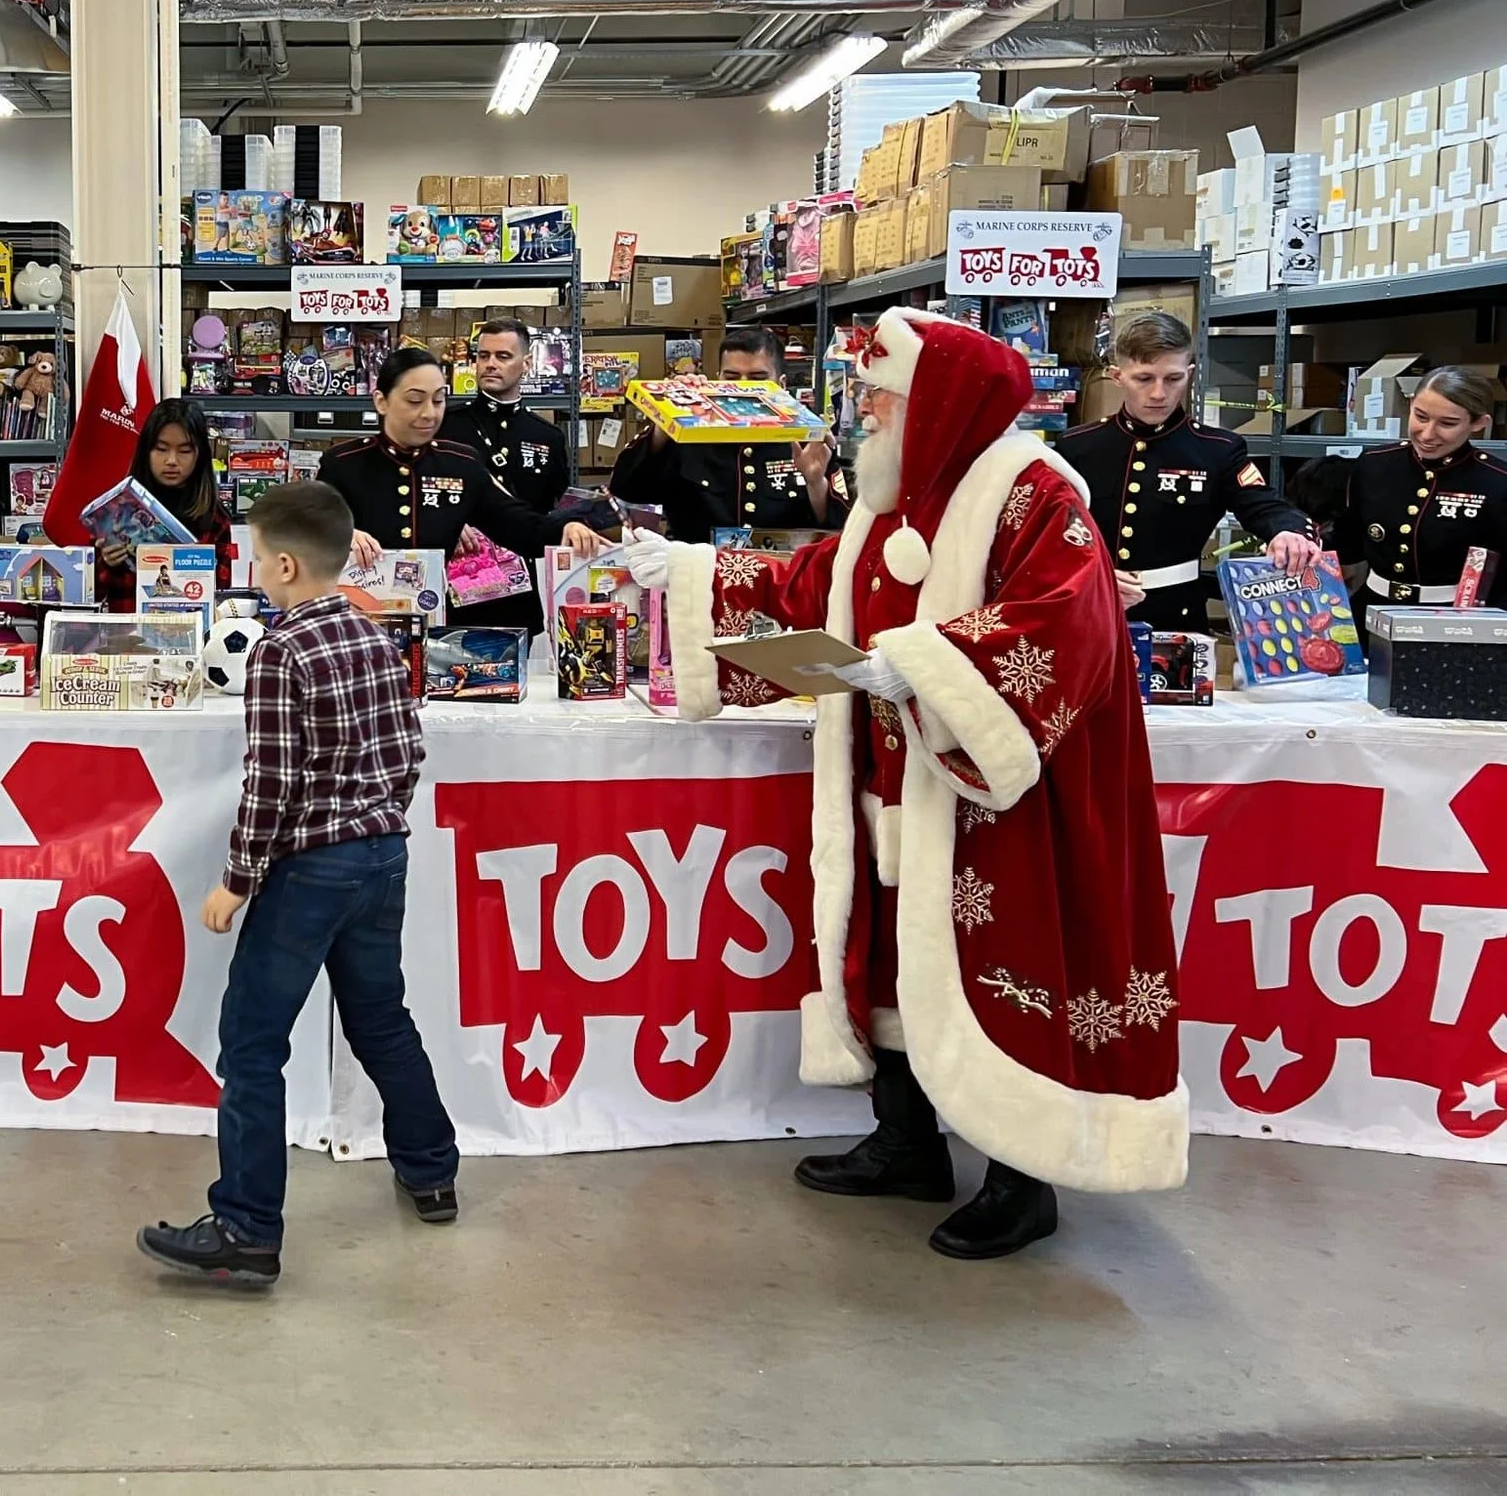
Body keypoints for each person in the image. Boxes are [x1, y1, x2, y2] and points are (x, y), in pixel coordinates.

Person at [627, 308, 1186, 1261]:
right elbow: (821, 589)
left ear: (938, 402)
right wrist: (691, 571)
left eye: (882, 398)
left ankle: (1023, 1177)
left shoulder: (1033, 492)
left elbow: (1069, 624)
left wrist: (929, 668)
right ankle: (907, 1139)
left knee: (1013, 961)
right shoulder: (892, 492)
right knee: (886, 950)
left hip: (999, 793)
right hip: (887, 774)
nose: (865, 416)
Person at [136, 481, 458, 1289]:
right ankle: (431, 1169)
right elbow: (409, 752)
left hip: (310, 869)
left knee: (250, 1042)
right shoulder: (373, 633)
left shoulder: (281, 650)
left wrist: (236, 882)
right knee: (381, 1019)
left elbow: (271, 782)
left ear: (282, 564)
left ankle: (246, 1224)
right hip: (383, 855)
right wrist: (374, 816)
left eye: (252, 555)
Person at [1055, 309, 1318, 633]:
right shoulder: (1078, 446)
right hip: (1089, 615)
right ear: (1116, 375)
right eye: (1144, 378)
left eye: (1173, 378)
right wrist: (1088, 571)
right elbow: (1050, 530)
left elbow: (1262, 503)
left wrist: (1287, 530)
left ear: (1190, 373)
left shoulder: (1216, 449)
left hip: (1177, 619)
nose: (1158, 393)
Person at [322, 347, 614, 580]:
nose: (429, 414)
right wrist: (340, 534)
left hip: (434, 621)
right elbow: (297, 533)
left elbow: (520, 525)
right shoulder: (343, 464)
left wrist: (566, 529)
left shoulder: (460, 463)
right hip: (357, 625)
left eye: (438, 401)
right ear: (381, 401)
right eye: (414, 401)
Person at [607, 327, 843, 538]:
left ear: (781, 385)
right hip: (698, 576)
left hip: (781, 577)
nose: (741, 387)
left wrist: (815, 482)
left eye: (757, 379)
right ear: (717, 378)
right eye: (731, 377)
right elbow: (626, 490)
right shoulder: (687, 436)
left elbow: (838, 525)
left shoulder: (807, 440)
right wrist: (667, 418)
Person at [1315, 365, 1507, 610]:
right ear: (1411, 404)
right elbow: (1348, 542)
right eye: (1421, 416)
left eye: (1447, 423)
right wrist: (1300, 542)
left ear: (1479, 422)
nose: (1427, 434)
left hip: (1451, 619)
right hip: (1372, 610)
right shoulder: (1375, 464)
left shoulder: (1497, 481)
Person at [443, 318, 573, 631]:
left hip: (519, 591)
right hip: (457, 583)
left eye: (503, 356)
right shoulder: (446, 426)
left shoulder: (547, 436)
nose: (490, 364)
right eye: (483, 356)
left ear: (526, 363)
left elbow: (558, 508)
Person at [96, 397, 234, 610]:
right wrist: (106, 563)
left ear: (200, 455)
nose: (172, 460)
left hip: (191, 635)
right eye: (161, 449)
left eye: (185, 451)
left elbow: (220, 598)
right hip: (125, 636)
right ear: (146, 451)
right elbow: (87, 598)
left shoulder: (215, 519)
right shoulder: (116, 511)